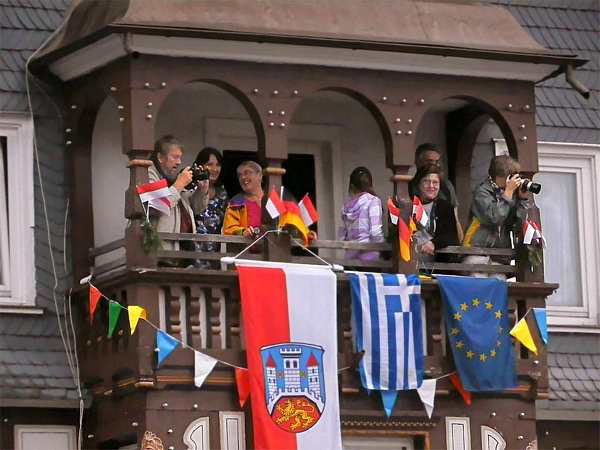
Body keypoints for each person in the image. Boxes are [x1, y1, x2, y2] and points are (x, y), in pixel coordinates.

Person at [463, 155, 531, 279]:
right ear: (502, 177)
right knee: (477, 290)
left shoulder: (510, 194)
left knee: (496, 292)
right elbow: (494, 218)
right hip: (476, 252)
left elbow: (520, 224)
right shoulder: (482, 192)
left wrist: (522, 200)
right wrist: (508, 194)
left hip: (499, 256)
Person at [148, 135, 208, 255]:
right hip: (161, 253)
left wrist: (202, 190)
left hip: (182, 252)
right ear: (160, 157)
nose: (179, 162)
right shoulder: (149, 173)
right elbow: (155, 207)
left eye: (180, 157)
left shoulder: (172, 178)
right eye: (175, 157)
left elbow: (197, 209)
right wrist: (179, 184)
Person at [408, 143, 463, 241]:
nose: (434, 165)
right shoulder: (407, 187)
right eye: (429, 161)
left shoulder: (447, 186)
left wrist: (459, 247)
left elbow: (455, 219)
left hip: (441, 245)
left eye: (437, 162)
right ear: (417, 162)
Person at [412, 163, 460, 263]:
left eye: (435, 182)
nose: (431, 186)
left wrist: (433, 243)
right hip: (411, 260)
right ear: (418, 184)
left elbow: (452, 237)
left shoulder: (445, 207)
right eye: (426, 181)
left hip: (437, 264)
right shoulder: (409, 206)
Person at [339, 167, 384, 261]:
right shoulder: (373, 201)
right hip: (370, 257)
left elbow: (342, 237)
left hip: (350, 259)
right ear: (371, 185)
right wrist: (383, 248)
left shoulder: (345, 207)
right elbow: (375, 232)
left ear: (352, 187)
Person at [193, 147, 229, 252]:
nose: (215, 169)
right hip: (191, 248)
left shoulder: (223, 193)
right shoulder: (191, 188)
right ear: (200, 166)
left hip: (215, 249)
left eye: (218, 165)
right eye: (209, 164)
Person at [223, 161, 264, 237]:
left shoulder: (273, 199)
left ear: (260, 175)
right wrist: (243, 232)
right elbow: (228, 229)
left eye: (247, 173)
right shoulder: (236, 202)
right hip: (246, 248)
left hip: (274, 248)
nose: (243, 177)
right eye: (240, 175)